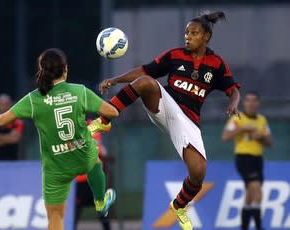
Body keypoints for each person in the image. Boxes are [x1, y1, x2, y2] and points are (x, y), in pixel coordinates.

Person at [88, 11, 240, 230]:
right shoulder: (175, 55)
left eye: (194, 33)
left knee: (198, 173)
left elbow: (233, 89)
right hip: (165, 103)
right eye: (186, 33)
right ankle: (104, 119)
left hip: (188, 120)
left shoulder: (216, 64)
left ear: (206, 36)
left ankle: (178, 206)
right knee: (146, 82)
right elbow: (143, 70)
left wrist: (233, 102)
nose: (188, 36)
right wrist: (115, 80)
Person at [0, 48, 119, 230]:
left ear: (42, 70)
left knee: (55, 218)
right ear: (65, 69)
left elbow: (1, 120)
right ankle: (100, 201)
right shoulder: (80, 91)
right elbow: (112, 112)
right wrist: (100, 122)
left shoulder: (33, 99)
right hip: (82, 156)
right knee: (95, 163)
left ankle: (99, 201)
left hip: (55, 168)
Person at [221, 91, 272, 230]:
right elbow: (225, 136)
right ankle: (259, 226)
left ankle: (244, 226)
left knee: (250, 195)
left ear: (258, 103)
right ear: (244, 103)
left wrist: (259, 136)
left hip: (257, 159)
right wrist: (242, 129)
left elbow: (269, 142)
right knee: (256, 190)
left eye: (254, 100)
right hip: (243, 158)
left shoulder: (262, 120)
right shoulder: (238, 118)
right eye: (248, 100)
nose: (251, 103)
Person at [75, 124, 113, 230]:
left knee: (100, 208)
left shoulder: (94, 133)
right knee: (77, 208)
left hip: (92, 179)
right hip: (82, 179)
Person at [0, 94, 23, 160]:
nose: (4, 107)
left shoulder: (17, 121)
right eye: (1, 104)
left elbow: (15, 139)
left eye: (6, 104)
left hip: (11, 161)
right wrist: (6, 139)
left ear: (11, 105)